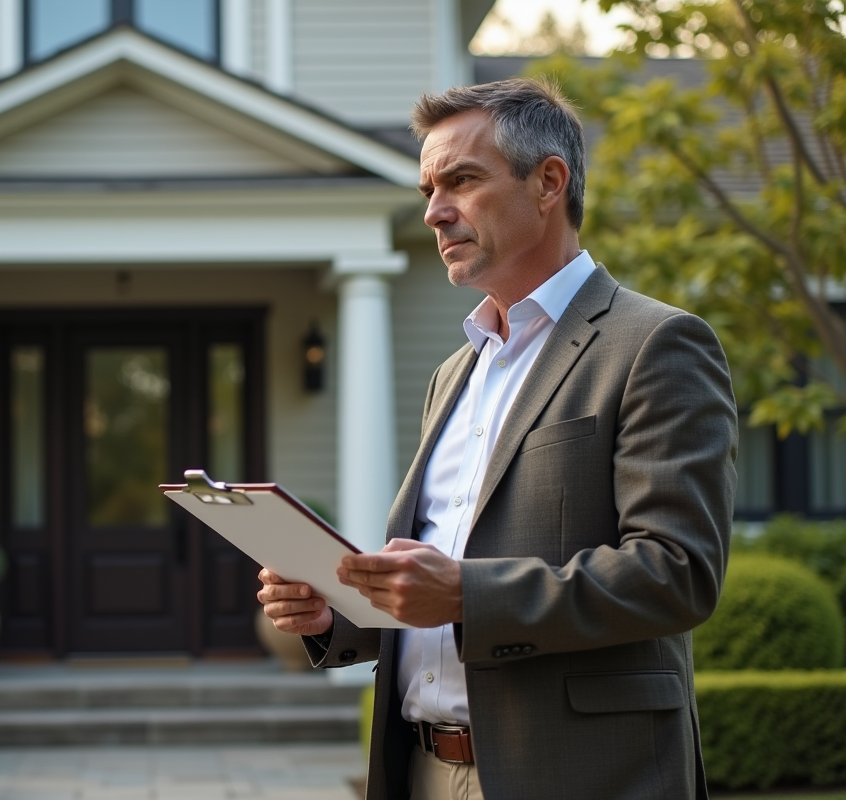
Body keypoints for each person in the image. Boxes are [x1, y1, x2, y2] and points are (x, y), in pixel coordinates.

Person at [257, 78, 737, 800]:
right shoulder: (454, 373)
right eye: (426, 189)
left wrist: (464, 595)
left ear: (548, 182)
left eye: (461, 180)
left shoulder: (656, 345)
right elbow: (433, 589)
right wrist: (339, 612)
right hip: (421, 767)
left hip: (581, 775)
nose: (433, 211)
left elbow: (678, 571)